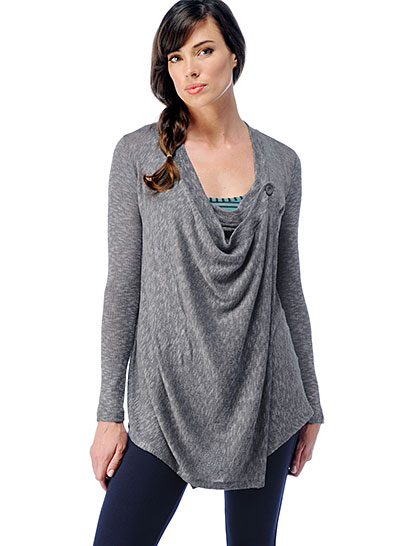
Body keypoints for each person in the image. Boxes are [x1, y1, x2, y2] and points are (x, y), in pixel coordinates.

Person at [90, 1, 325, 544]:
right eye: (175, 57)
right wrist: (108, 413)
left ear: (234, 55)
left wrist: (312, 402)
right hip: (164, 398)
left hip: (266, 393)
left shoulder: (283, 162)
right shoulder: (139, 154)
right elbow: (123, 286)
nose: (189, 70)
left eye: (204, 50)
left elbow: (288, 287)